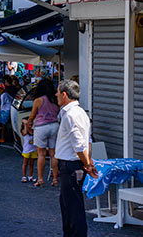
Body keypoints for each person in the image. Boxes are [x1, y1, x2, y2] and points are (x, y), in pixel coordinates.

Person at [54, 80, 96, 237]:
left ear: (64, 95)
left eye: (58, 92)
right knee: (69, 205)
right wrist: (88, 162)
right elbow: (88, 141)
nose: (56, 94)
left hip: (71, 166)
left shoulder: (71, 115)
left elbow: (79, 144)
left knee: (73, 208)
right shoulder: (80, 113)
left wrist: (87, 164)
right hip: (73, 165)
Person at [26, 78, 60, 187]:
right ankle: (55, 179)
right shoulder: (56, 100)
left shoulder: (38, 100)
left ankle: (40, 179)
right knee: (53, 154)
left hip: (41, 127)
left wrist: (29, 123)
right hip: (55, 126)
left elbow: (32, 115)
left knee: (41, 154)